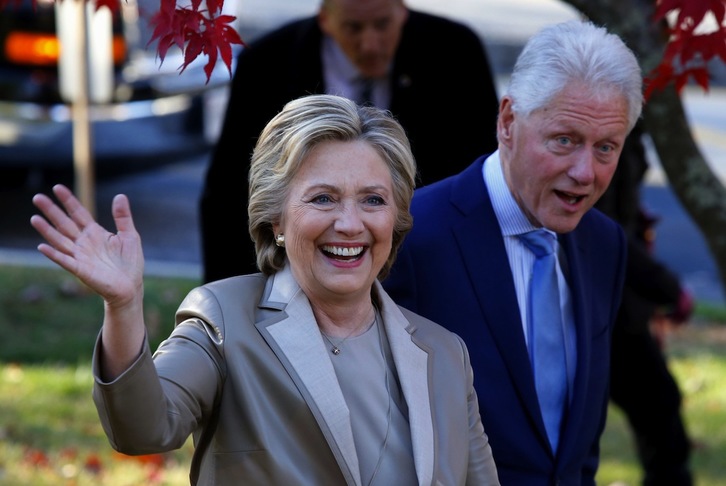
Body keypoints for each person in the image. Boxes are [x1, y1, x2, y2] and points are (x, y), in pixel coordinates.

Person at [30, 94, 500, 485]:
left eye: (373, 201)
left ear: (394, 221)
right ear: (276, 218)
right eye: (323, 198)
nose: (350, 224)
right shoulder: (223, 319)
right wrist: (124, 305)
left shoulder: (445, 355)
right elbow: (143, 429)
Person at [382, 20, 643, 483]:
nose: (586, 172)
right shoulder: (411, 235)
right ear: (507, 122)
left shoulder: (605, 243)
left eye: (606, 147)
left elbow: (578, 444)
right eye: (564, 140)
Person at [200, 0, 501, 282]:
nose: (370, 44)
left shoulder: (456, 51)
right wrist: (235, 300)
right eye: (353, 28)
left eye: (382, 25)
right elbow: (229, 192)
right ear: (325, 21)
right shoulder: (268, 62)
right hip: (297, 274)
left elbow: (482, 176)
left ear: (402, 12)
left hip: (432, 268)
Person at [597, 123, 696, 486]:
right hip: (608, 307)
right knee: (658, 408)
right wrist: (668, 288)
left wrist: (636, 216)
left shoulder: (632, 131)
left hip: (621, 302)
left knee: (659, 409)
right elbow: (602, 228)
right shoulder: (607, 131)